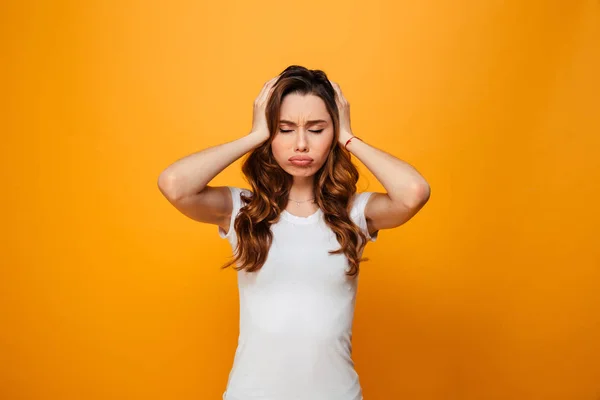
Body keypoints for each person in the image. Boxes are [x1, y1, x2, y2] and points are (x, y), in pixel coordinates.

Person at [157, 65, 431, 400]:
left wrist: (349, 137)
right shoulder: (243, 210)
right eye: (285, 129)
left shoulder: (354, 214)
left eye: (317, 129)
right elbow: (174, 185)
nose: (301, 144)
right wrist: (253, 136)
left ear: (333, 133)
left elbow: (414, 192)